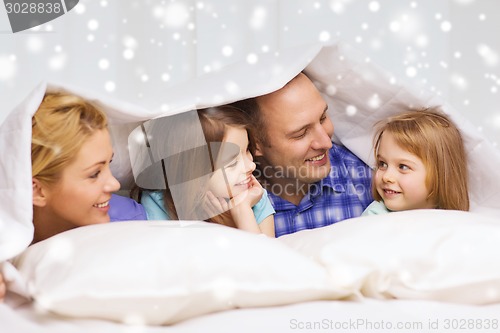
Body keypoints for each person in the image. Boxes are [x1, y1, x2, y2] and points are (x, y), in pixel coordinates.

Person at [231, 72, 373, 237]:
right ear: (255, 143)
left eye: (322, 118)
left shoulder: (366, 181)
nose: (326, 143)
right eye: (300, 134)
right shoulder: (228, 206)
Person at [135, 106, 275, 237]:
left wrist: (243, 212)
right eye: (232, 163)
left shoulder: (254, 196)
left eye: (247, 150)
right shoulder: (158, 204)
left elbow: (269, 261)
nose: (251, 166)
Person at [31, 92, 146, 244]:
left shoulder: (132, 226)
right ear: (36, 190)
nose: (115, 184)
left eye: (108, 163)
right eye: (94, 174)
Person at [362, 108, 469, 215]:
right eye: (382, 164)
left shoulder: (453, 219)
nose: (386, 177)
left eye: (403, 167)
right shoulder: (375, 217)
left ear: (440, 174)